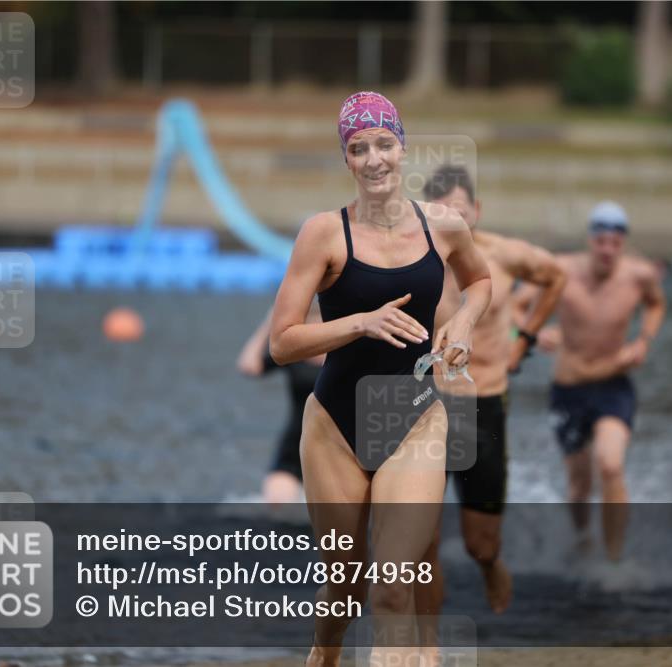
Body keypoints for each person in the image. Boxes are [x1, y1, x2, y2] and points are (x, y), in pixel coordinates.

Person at [268, 92, 492, 667]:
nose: (373, 159)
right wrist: (359, 322)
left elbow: (480, 283)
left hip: (414, 416)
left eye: (384, 144)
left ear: (403, 148)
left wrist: (463, 323)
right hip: (334, 427)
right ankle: (324, 654)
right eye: (358, 148)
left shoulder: (442, 226)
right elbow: (282, 341)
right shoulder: (323, 234)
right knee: (343, 589)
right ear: (346, 158)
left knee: (393, 586)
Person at [414, 165, 567, 623]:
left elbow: (555, 277)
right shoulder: (414, 258)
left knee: (480, 542)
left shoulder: (502, 255)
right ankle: (429, 648)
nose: (453, 222)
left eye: (460, 213)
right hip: (424, 403)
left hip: (483, 404)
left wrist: (525, 338)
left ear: (476, 211)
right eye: (441, 214)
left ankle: (490, 566)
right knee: (422, 541)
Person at [515, 201, 665, 562]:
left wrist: (643, 340)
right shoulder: (562, 271)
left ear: (623, 243)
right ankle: (582, 541)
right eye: (601, 242)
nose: (607, 250)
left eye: (615, 243)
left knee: (610, 464)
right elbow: (516, 305)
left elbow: (656, 304)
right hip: (568, 388)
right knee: (579, 485)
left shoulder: (639, 276)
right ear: (590, 240)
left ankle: (614, 560)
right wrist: (533, 334)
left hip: (614, 384)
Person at [236, 305, 324, 504]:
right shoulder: (293, 355)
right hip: (295, 444)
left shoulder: (343, 357)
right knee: (277, 506)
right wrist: (269, 324)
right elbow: (249, 366)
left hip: (336, 445)